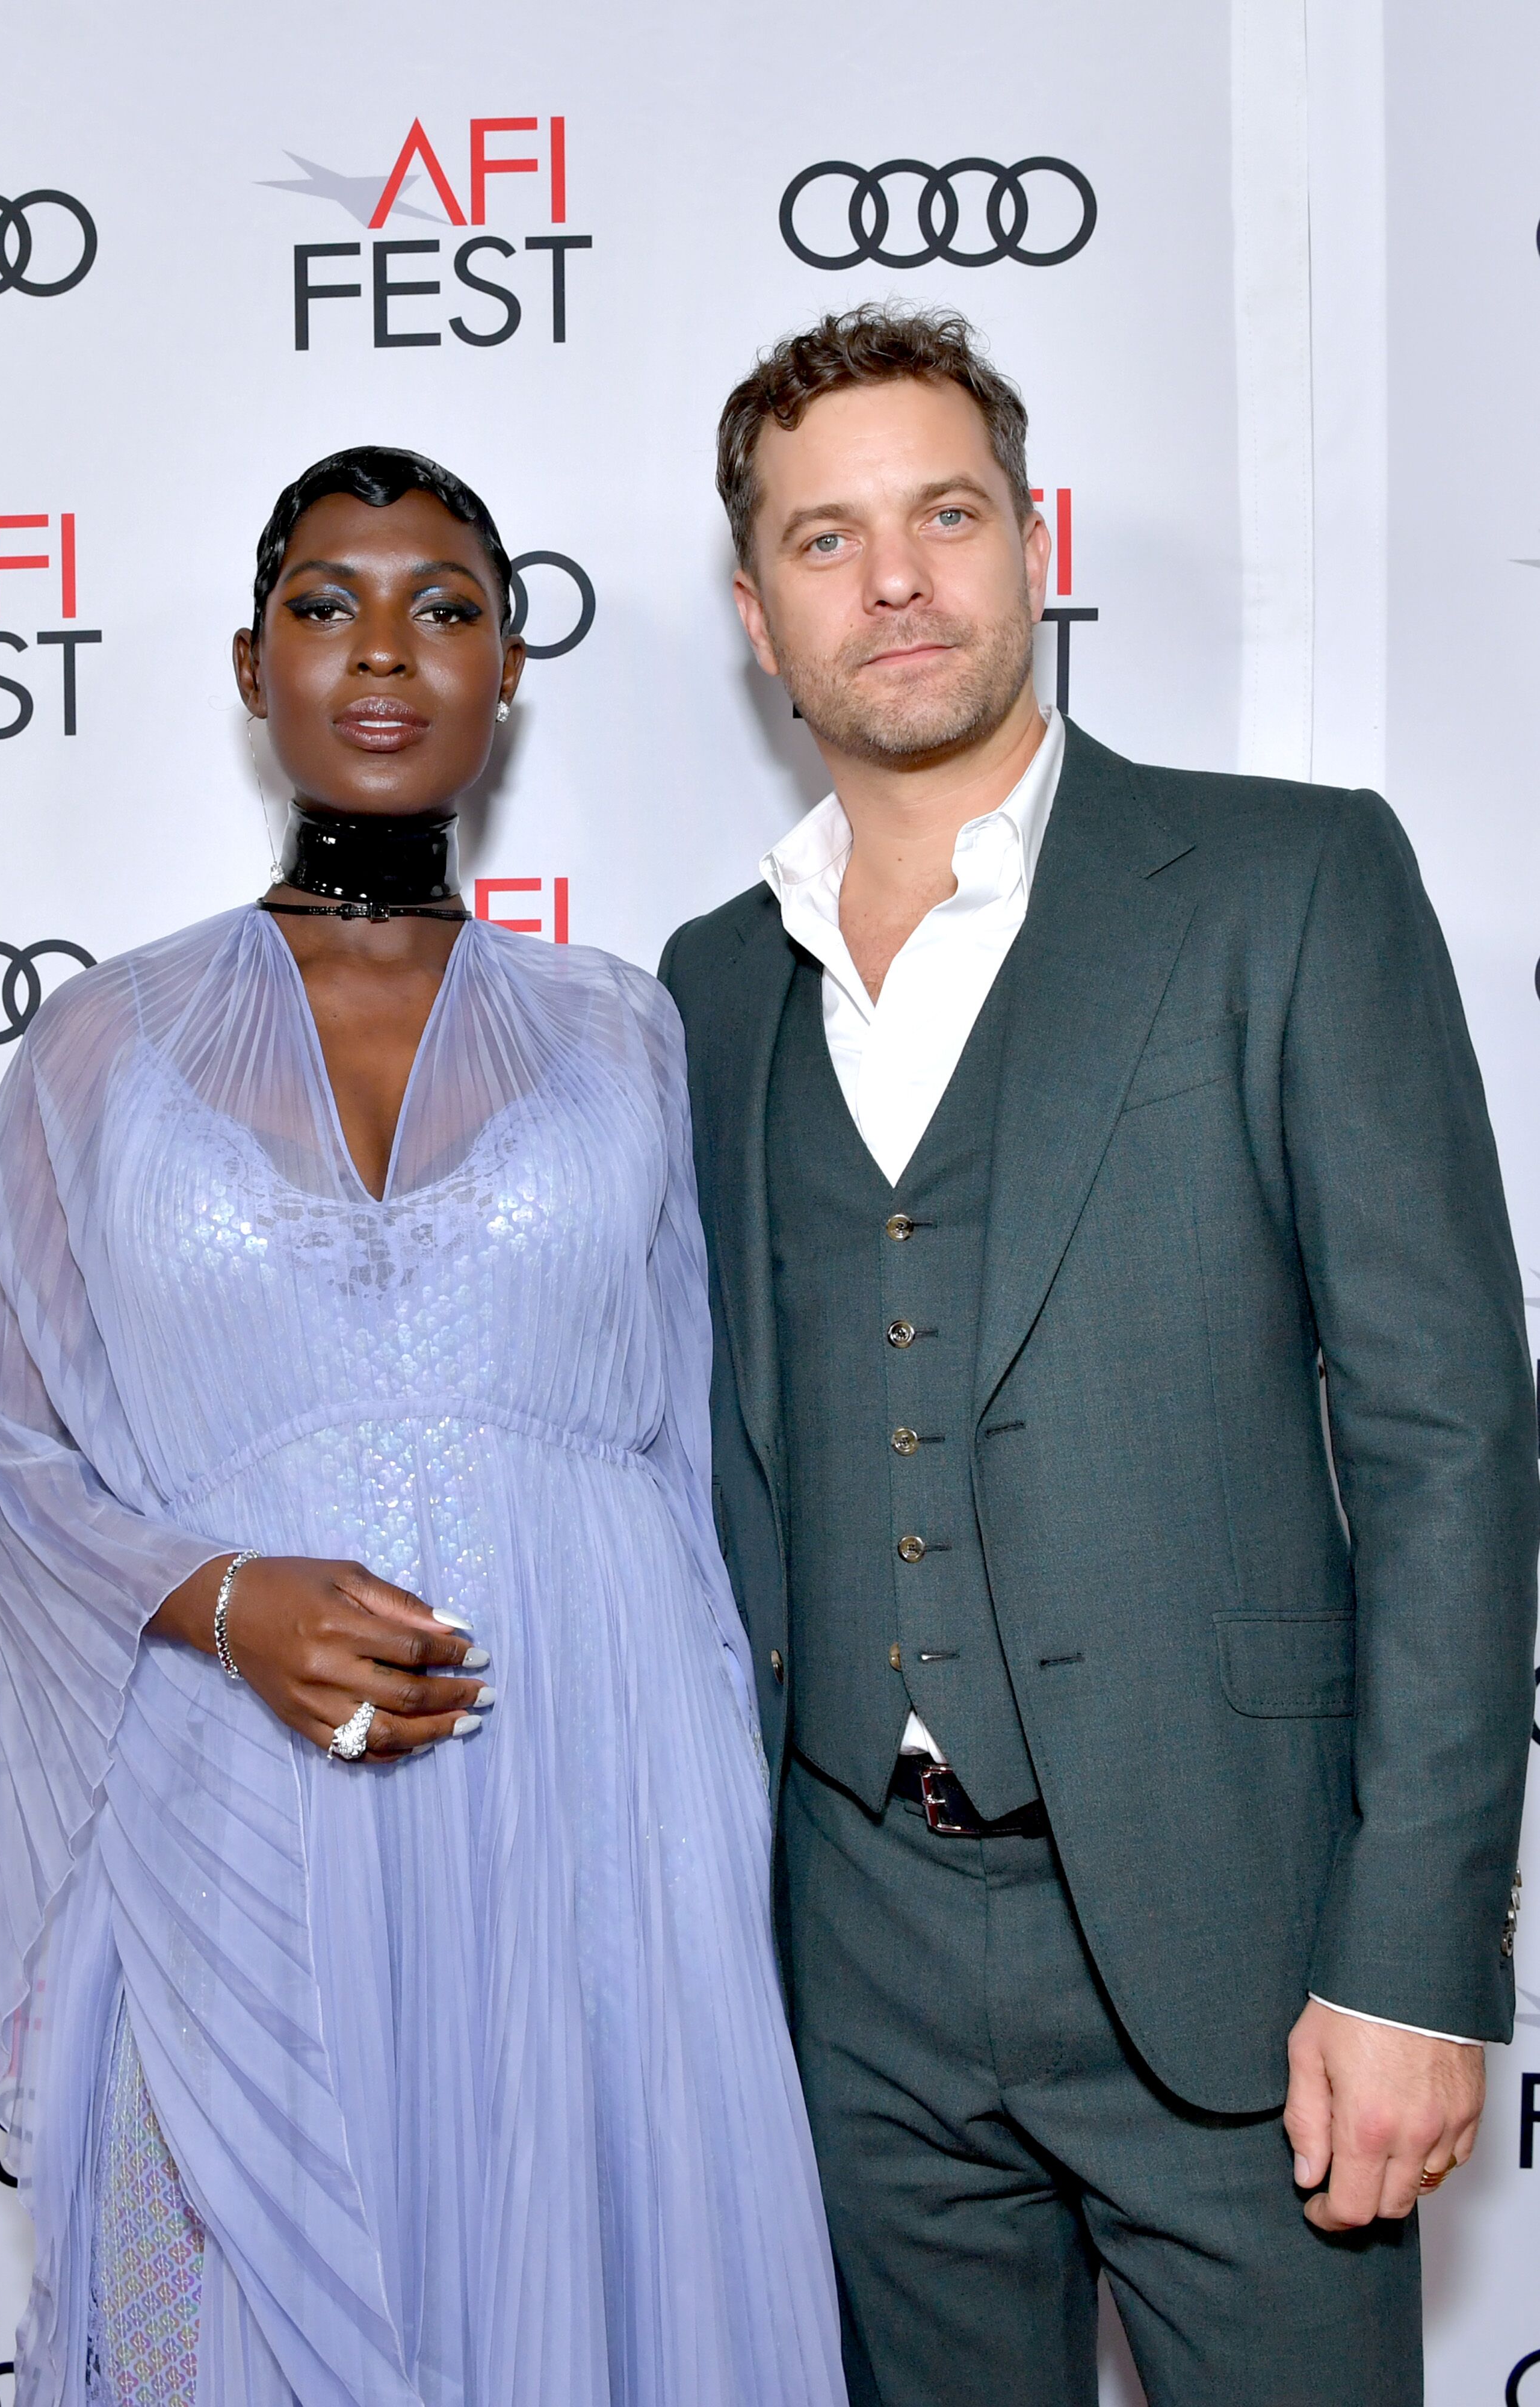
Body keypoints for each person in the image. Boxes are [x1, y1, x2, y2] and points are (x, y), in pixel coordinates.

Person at [658, 306, 1538, 2406]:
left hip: (1241, 1945)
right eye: (824, 537)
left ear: (1026, 538)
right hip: (844, 1969)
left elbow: (1444, 1438)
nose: (893, 578)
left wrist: (1413, 1958)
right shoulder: (695, 991)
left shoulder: (1286, 881)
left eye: (943, 512)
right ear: (755, 607)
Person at [0, 446, 847, 2407]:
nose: (382, 650)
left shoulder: (630, 1031)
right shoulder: (98, 1044)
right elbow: (3, 1450)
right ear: (248, 661)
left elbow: (705, 1444)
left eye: (444, 605)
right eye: (324, 601)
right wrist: (214, 1589)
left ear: (509, 670)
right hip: (226, 1810)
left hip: (591, 1810)